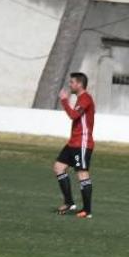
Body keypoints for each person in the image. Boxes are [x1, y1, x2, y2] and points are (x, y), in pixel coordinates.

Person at [54, 72, 96, 218]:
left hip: (82, 142)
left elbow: (73, 115)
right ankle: (69, 202)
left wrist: (64, 101)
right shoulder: (80, 98)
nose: (70, 85)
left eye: (72, 82)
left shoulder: (85, 98)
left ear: (79, 84)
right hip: (73, 142)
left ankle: (87, 210)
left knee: (82, 173)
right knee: (59, 167)